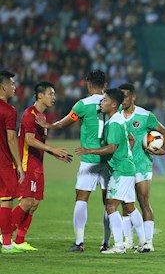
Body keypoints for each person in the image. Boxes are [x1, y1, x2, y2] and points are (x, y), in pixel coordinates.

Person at [37, 70, 110, 252]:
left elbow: (66, 123)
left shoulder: (83, 105)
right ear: (105, 85)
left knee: (81, 197)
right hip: (110, 159)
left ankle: (79, 242)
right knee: (110, 202)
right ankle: (106, 243)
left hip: (89, 158)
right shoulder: (112, 103)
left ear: (89, 84)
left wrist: (50, 126)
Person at [76, 89, 148, 254]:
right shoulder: (117, 120)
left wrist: (89, 151)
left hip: (121, 170)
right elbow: (131, 139)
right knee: (129, 206)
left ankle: (118, 245)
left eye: (105, 100)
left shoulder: (114, 123)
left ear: (114, 104)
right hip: (127, 167)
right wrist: (125, 154)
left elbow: (111, 147)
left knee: (110, 205)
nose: (101, 103)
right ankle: (143, 242)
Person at [13, 82, 72, 251]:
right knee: (27, 202)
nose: (54, 97)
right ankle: (5, 234)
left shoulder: (42, 117)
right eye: (50, 94)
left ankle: (19, 241)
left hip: (38, 164)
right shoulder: (29, 114)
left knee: (35, 203)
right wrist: (53, 149)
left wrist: (55, 154)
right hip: (28, 163)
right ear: (40, 96)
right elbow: (30, 140)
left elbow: (39, 143)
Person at [119, 83, 165, 252]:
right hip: (123, 166)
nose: (123, 100)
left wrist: (163, 149)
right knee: (126, 205)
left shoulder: (145, 115)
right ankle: (128, 241)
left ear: (133, 97)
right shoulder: (116, 115)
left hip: (142, 164)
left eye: (126, 96)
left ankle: (148, 242)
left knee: (143, 202)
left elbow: (164, 131)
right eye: (120, 97)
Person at [0, 70, 25, 254]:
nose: (14, 87)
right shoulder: (9, 110)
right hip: (3, 163)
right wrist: (18, 164)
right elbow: (11, 139)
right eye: (12, 84)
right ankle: (7, 244)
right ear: (3, 87)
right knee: (6, 202)